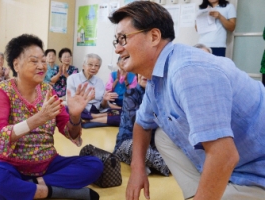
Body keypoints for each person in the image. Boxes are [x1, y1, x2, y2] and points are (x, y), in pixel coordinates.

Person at [109, 1, 265, 200]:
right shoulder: (157, 76)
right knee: (163, 136)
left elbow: (224, 155)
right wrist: (137, 169)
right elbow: (142, 123)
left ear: (154, 37)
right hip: (235, 164)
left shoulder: (188, 71)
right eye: (117, 41)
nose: (118, 49)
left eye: (124, 38)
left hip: (255, 173)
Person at [0, 34, 103, 200]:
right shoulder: (3, 90)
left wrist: (75, 116)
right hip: (11, 164)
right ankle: (53, 190)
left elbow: (71, 133)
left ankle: (29, 185)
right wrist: (38, 118)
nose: (41, 66)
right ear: (16, 64)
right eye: (34, 61)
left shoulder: (48, 91)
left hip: (48, 163)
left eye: (43, 61)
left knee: (94, 165)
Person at [114, 74, 169, 176]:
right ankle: (163, 165)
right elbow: (137, 121)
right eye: (140, 72)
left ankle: (149, 163)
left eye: (148, 72)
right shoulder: (130, 94)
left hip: (154, 144)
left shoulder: (161, 96)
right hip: (129, 142)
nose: (144, 75)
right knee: (136, 149)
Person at [67, 53, 120, 126]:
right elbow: (71, 101)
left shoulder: (100, 81)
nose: (93, 68)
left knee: (123, 114)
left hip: (97, 110)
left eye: (96, 65)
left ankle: (88, 120)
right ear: (83, 65)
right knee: (66, 108)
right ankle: (97, 117)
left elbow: (103, 106)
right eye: (90, 64)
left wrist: (104, 99)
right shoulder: (72, 78)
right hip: (81, 109)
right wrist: (87, 100)